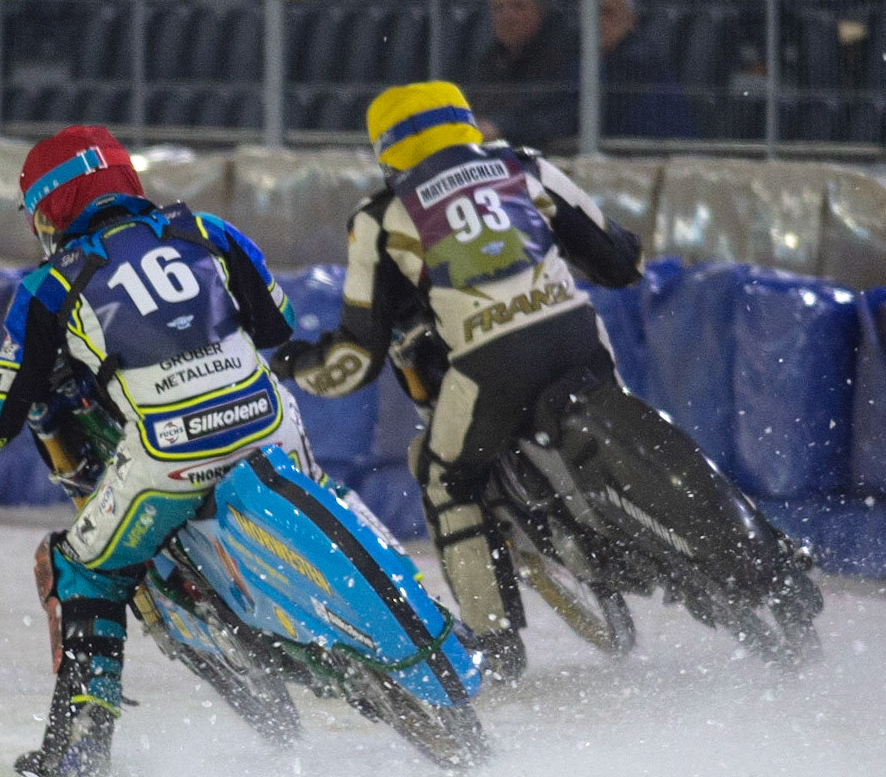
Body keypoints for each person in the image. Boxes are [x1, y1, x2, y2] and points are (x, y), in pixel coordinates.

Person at [0, 125, 322, 777]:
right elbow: (279, 324)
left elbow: (0, 410)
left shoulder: (52, 284)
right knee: (320, 497)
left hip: (169, 455)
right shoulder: (207, 230)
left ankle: (81, 744)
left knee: (84, 566)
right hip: (269, 429)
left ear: (51, 208)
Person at [270, 82, 643, 683]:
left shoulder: (382, 215)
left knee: (444, 475)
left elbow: (355, 359)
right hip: (577, 337)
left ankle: (494, 640)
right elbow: (621, 260)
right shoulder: (524, 165)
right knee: (629, 409)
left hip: (490, 361)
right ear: (468, 124)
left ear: (386, 149)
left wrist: (292, 365)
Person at [469, 0, 577, 151]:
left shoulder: (563, 56)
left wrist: (499, 126)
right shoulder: (490, 60)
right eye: (498, 8)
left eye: (518, 7)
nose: (507, 16)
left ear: (540, 12)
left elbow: (559, 118)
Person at [597, 0, 698, 141]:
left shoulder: (635, 61)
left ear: (631, 19)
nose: (599, 22)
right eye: (594, 14)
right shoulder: (591, 60)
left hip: (664, 153)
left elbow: (581, 114)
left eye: (608, 13)